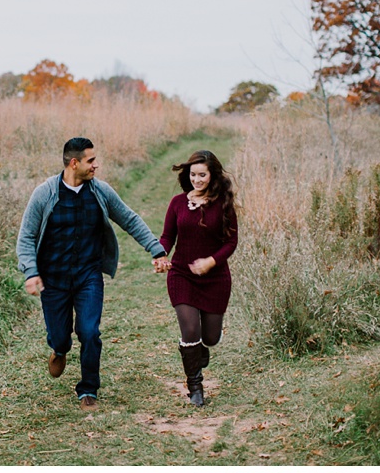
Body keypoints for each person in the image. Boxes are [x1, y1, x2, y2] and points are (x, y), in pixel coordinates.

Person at [17, 137, 169, 408]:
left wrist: (156, 250)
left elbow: (129, 219)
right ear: (74, 163)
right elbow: (26, 236)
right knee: (60, 335)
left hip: (88, 275)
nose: (96, 165)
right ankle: (60, 349)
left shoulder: (100, 191)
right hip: (53, 279)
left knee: (89, 331)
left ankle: (88, 388)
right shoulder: (44, 194)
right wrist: (31, 272)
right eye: (91, 160)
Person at [159, 150, 238, 407]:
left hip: (215, 278)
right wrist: (160, 255)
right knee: (190, 330)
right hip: (182, 274)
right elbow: (168, 237)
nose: (197, 179)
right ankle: (195, 386)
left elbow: (231, 241)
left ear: (212, 175)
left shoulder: (223, 203)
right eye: (193, 175)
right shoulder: (177, 203)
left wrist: (211, 262)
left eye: (202, 175)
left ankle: (200, 350)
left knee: (210, 338)